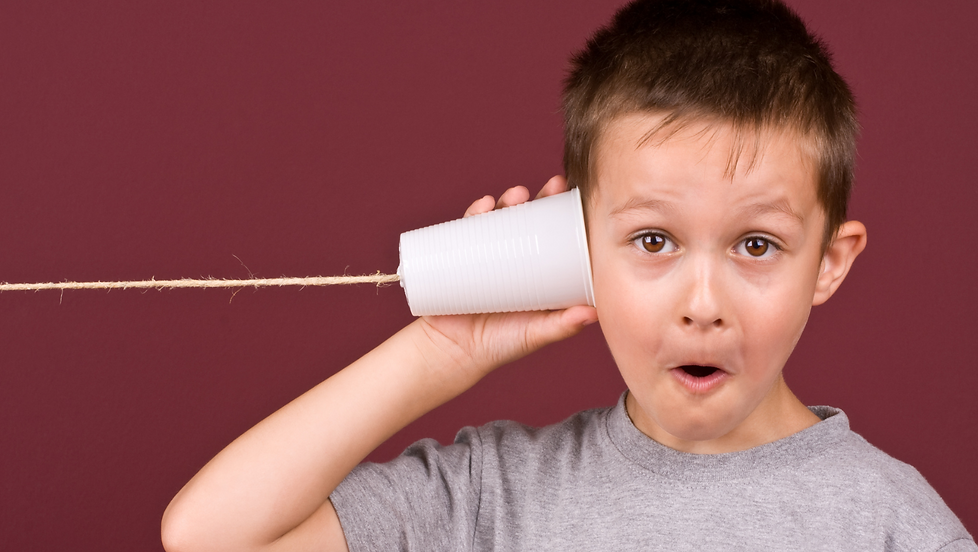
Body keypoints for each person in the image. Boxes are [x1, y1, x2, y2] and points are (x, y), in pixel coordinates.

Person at [160, 1, 976, 550]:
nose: (703, 306)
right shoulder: (495, 494)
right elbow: (209, 537)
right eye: (653, 241)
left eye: (755, 246)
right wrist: (444, 351)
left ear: (828, 263)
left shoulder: (889, 523)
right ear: (576, 248)